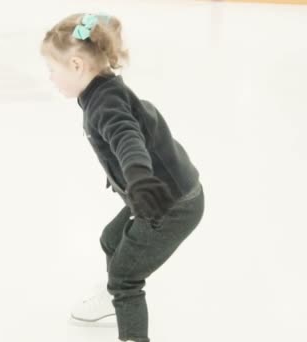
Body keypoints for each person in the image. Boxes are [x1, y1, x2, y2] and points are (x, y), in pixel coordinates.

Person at [40, 13, 206, 342]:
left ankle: (130, 329)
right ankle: (110, 300)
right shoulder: (101, 89)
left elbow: (127, 140)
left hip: (169, 205)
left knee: (125, 279)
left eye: (52, 70)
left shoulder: (106, 104)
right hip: (163, 192)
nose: (50, 78)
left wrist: (140, 178)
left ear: (76, 65)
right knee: (111, 240)